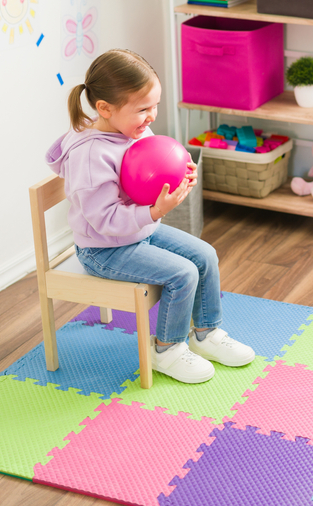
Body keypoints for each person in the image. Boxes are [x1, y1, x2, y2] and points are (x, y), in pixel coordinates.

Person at [46, 49, 255, 384]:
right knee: (183, 273)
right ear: (105, 108)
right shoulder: (90, 156)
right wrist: (156, 211)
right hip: (103, 249)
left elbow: (157, 164)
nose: (151, 116)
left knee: (205, 255)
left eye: (154, 106)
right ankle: (166, 350)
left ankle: (206, 333)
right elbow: (105, 221)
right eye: (142, 109)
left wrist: (183, 173)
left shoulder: (132, 130)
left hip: (139, 232)